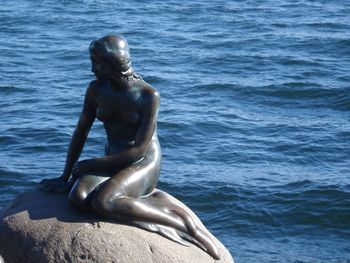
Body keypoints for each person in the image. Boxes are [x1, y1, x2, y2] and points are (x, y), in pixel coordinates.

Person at [40, 35, 219, 259]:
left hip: (142, 162)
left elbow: (139, 149)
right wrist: (65, 176)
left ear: (113, 64)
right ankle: (130, 200)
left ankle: (184, 224)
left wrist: (94, 163)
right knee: (78, 197)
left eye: (97, 63)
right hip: (113, 159)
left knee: (104, 201)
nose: (92, 69)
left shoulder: (148, 95)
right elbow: (81, 131)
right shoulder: (96, 90)